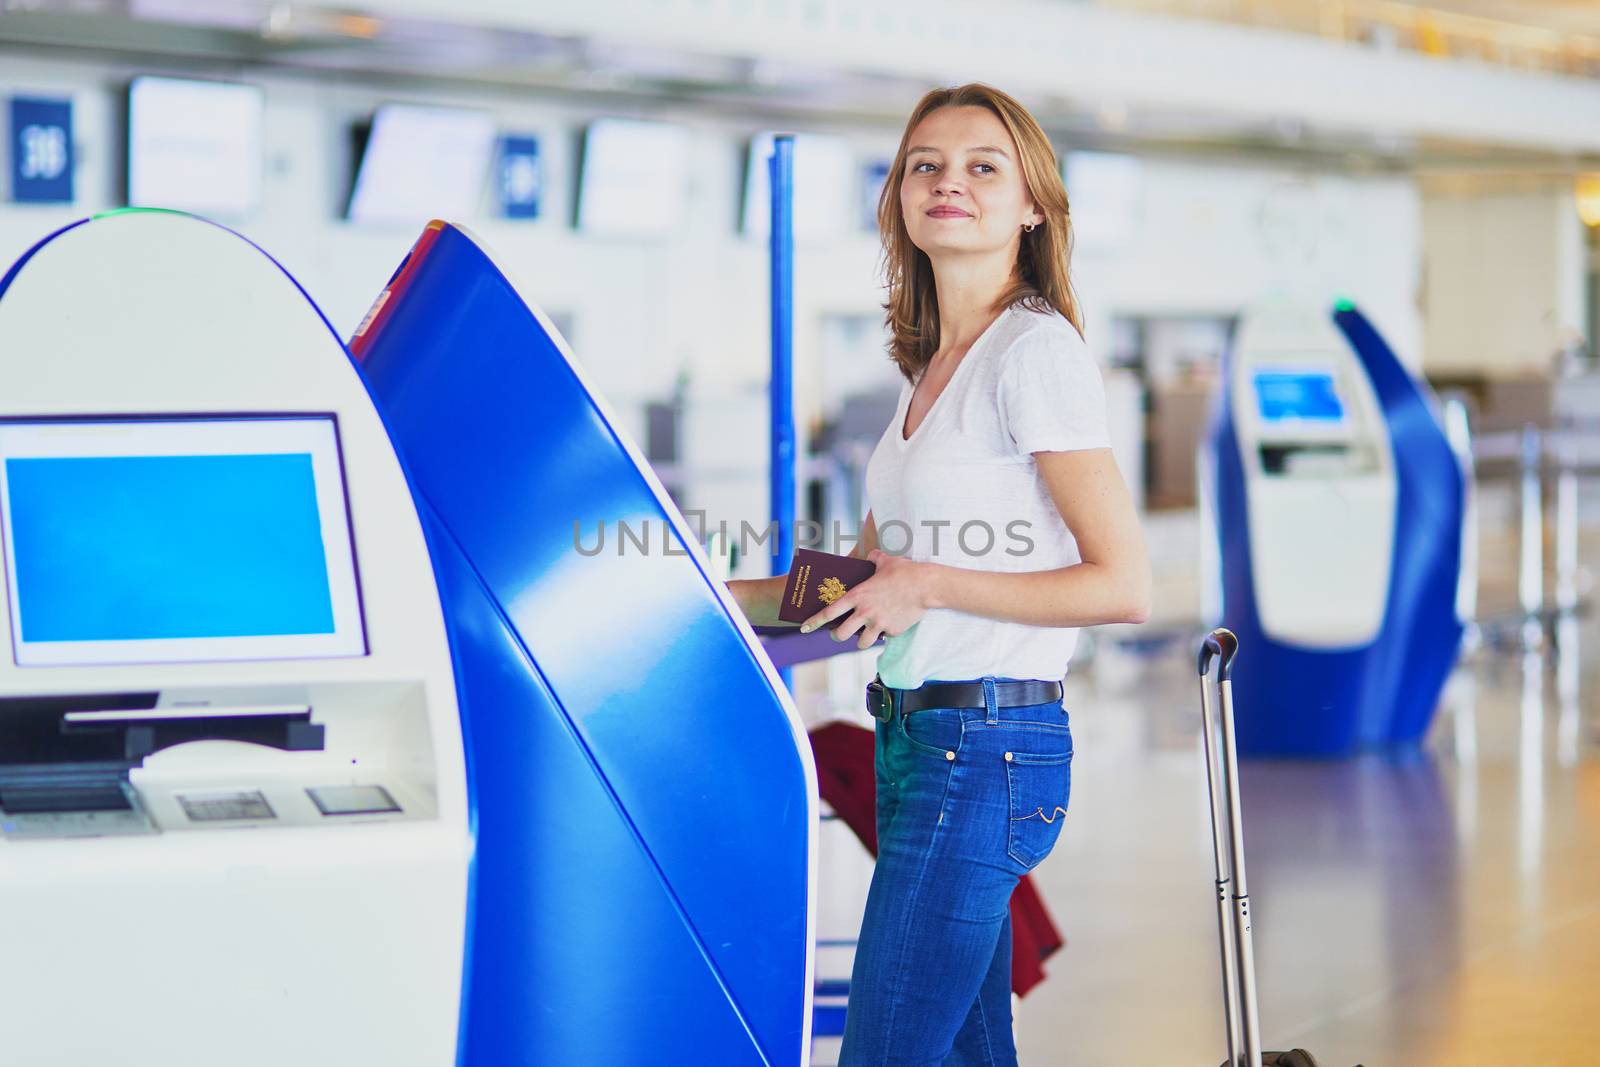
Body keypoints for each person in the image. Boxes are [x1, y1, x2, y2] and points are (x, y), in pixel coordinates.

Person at [728, 82, 1150, 1066]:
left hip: (986, 744)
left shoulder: (1032, 352)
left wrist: (930, 584)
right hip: (922, 739)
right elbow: (866, 580)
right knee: (964, 1053)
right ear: (898, 199)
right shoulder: (932, 366)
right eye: (925, 165)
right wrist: (709, 591)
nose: (946, 182)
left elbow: (1120, 583)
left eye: (980, 167)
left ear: (1032, 206)